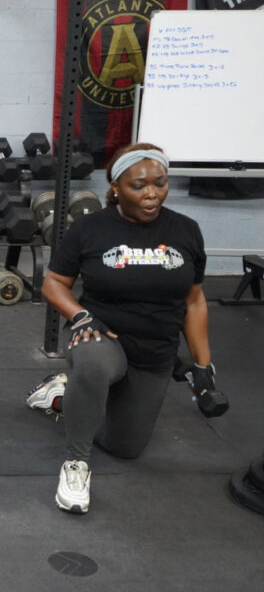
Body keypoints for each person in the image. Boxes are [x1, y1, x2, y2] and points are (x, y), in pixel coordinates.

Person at [40, 142, 213, 514]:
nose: (152, 194)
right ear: (116, 187)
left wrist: (203, 364)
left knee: (127, 448)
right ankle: (75, 463)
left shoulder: (186, 230)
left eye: (160, 183)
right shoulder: (90, 228)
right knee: (93, 364)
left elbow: (194, 300)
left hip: (155, 350)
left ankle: (64, 396)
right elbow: (54, 283)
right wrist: (80, 316)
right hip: (102, 334)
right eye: (139, 185)